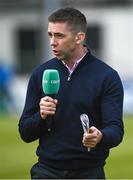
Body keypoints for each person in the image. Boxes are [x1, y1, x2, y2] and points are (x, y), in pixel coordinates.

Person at [19, 7, 124, 179]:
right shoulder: (41, 73)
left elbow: (116, 130)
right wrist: (41, 116)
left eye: (59, 35)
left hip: (89, 173)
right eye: (50, 35)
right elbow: (25, 133)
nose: (52, 42)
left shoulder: (107, 76)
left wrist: (100, 136)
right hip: (46, 172)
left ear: (79, 37)